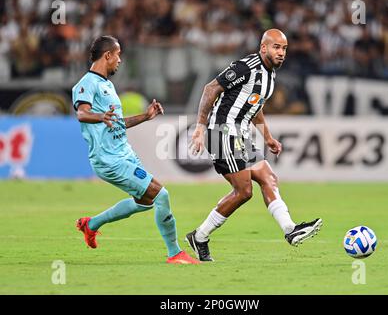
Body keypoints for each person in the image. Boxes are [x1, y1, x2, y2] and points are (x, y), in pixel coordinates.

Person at [187, 29, 322, 262]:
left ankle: (290, 229)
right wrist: (200, 127)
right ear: (263, 48)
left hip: (241, 134)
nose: (281, 53)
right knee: (244, 191)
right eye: (276, 47)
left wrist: (268, 137)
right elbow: (211, 89)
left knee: (268, 178)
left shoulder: (270, 76)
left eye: (284, 49)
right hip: (223, 131)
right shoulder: (246, 67)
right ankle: (199, 236)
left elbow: (255, 107)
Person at [72, 35, 199, 265]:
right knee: (161, 195)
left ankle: (91, 225)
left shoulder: (107, 85)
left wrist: (146, 116)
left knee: (145, 202)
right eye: (118, 55)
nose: (120, 60)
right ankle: (175, 253)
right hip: (109, 159)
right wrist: (100, 116)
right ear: (107, 55)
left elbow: (117, 122)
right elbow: (82, 113)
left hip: (124, 153)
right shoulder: (85, 84)